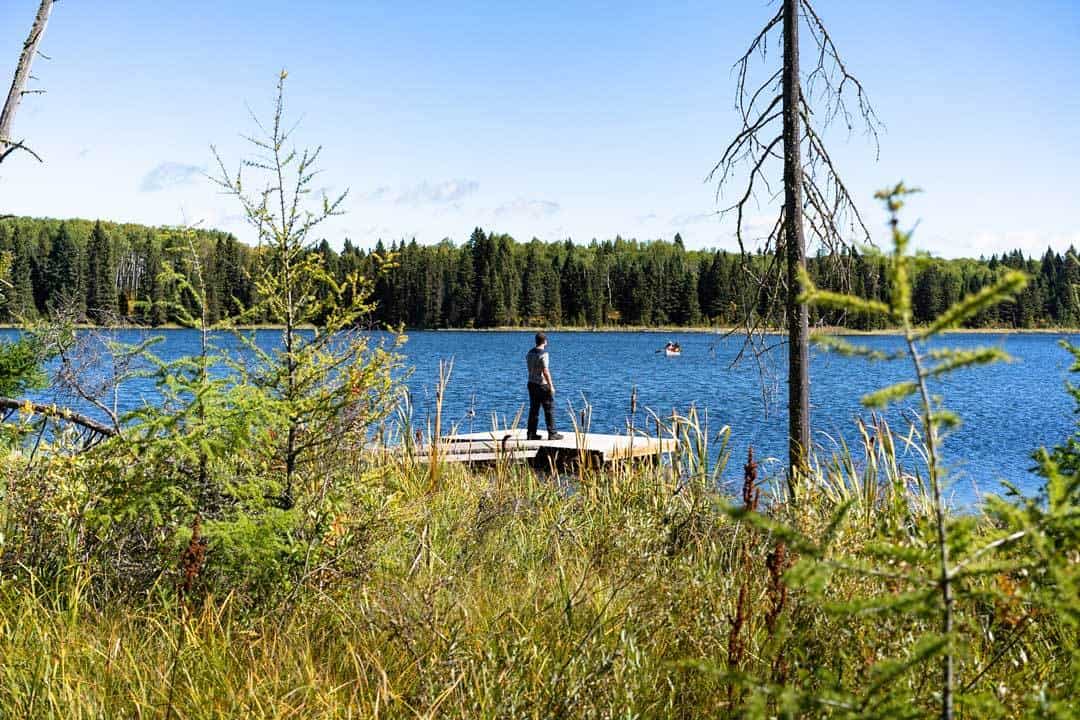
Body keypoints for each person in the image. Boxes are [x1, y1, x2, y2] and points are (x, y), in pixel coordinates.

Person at [526, 332, 563, 440]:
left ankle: (531, 433)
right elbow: (545, 371)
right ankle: (552, 433)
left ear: (536, 341)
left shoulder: (529, 353)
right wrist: (551, 386)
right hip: (542, 385)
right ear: (545, 341)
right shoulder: (544, 354)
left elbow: (529, 368)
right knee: (549, 409)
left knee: (534, 409)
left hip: (531, 383)